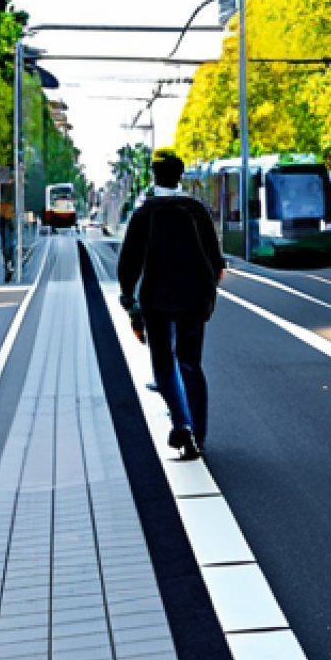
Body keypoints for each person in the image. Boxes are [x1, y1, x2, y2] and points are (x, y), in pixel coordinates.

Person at [117, 151, 225, 461]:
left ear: (154, 175)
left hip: (156, 302)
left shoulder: (145, 214)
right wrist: (207, 291)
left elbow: (129, 264)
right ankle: (198, 436)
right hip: (193, 300)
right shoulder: (197, 211)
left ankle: (183, 424)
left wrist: (128, 299)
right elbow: (216, 260)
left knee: (164, 365)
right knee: (191, 364)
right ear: (180, 176)